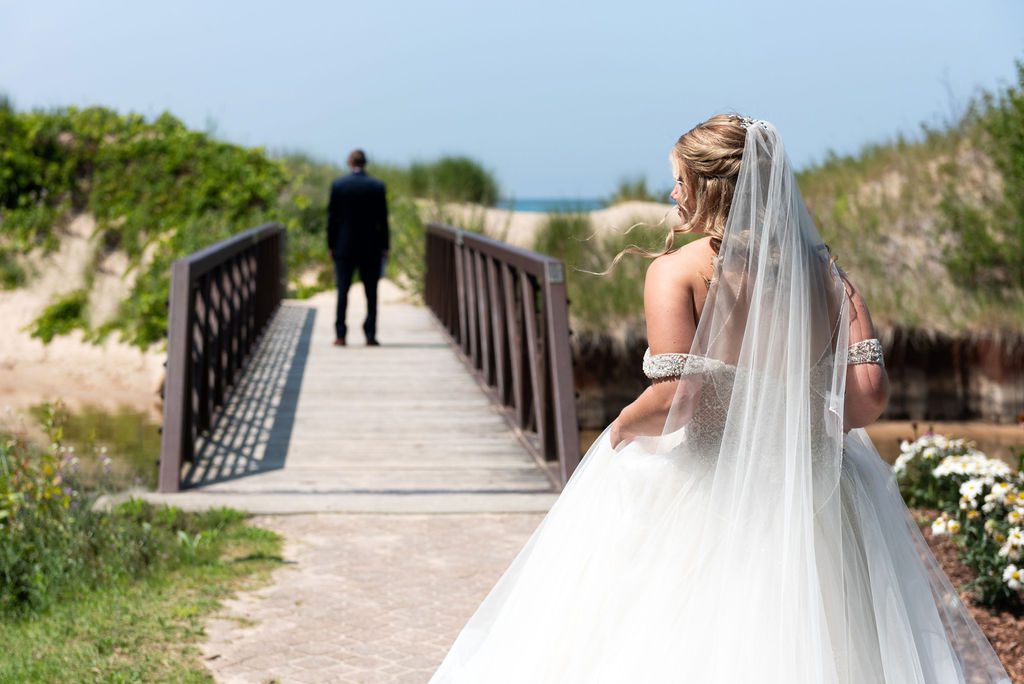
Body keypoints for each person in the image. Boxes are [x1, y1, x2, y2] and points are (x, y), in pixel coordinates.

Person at [430, 116, 1010, 683]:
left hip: (712, 488)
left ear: (706, 188)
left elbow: (679, 398)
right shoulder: (829, 274)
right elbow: (868, 396)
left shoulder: (677, 271)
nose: (672, 193)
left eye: (679, 181)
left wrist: (620, 429)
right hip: (817, 494)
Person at [327, 149, 390, 346]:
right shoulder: (377, 186)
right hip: (371, 248)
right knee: (371, 293)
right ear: (365, 163)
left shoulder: (339, 185)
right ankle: (370, 334)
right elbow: (383, 220)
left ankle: (340, 334)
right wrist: (385, 246)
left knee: (342, 292)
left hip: (344, 247)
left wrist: (331, 245)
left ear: (349, 162)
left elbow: (331, 220)